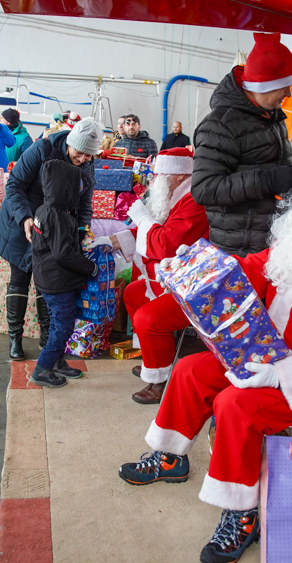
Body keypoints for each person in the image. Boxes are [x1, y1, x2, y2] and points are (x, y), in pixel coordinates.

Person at [119, 160, 292, 563]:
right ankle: (169, 455)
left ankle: (242, 511)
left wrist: (281, 374)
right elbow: (247, 271)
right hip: (265, 356)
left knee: (235, 405)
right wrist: (195, 267)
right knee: (191, 369)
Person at [95, 148, 209, 403]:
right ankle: (155, 359)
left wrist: (141, 216)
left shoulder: (193, 201)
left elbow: (164, 243)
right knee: (133, 294)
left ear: (178, 175)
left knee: (148, 317)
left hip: (192, 284)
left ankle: (159, 380)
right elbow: (152, 233)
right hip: (173, 278)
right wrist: (111, 241)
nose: (154, 180)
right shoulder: (175, 197)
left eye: (160, 174)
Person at [0, 117, 102, 363]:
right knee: (20, 278)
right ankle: (15, 338)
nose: (83, 159)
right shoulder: (42, 149)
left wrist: (82, 232)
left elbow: (85, 204)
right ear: (71, 142)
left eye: (88, 156)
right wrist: (25, 218)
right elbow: (15, 185)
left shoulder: (86, 164)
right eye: (80, 153)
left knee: (49, 282)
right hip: (24, 223)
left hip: (55, 231)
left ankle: (47, 338)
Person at [191, 33, 292, 257]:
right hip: (240, 250)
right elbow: (205, 188)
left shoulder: (270, 116)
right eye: (283, 86)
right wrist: (271, 179)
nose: (289, 93)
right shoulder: (220, 125)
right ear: (262, 84)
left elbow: (261, 159)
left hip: (271, 241)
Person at [28, 160, 100, 388]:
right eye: (75, 186)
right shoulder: (57, 217)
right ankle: (42, 369)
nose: (78, 191)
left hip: (47, 278)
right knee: (64, 325)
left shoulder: (43, 209)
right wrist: (90, 267)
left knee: (57, 323)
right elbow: (62, 254)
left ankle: (57, 362)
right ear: (64, 187)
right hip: (58, 282)